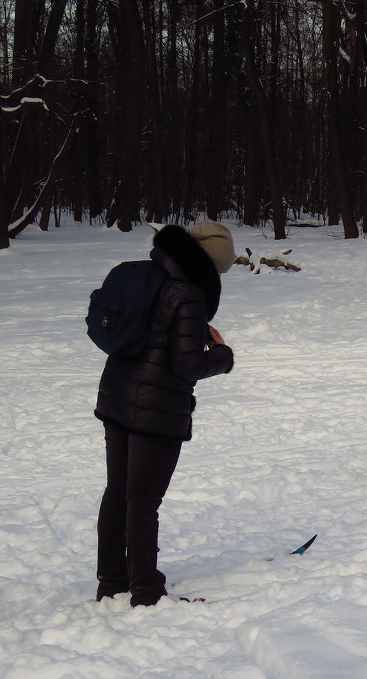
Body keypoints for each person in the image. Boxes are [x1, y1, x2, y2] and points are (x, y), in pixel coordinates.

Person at [94, 220, 236, 606]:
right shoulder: (188, 293)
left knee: (119, 494)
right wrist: (222, 356)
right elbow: (187, 365)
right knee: (143, 501)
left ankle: (111, 582)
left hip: (117, 397)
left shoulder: (150, 274)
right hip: (156, 411)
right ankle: (146, 592)